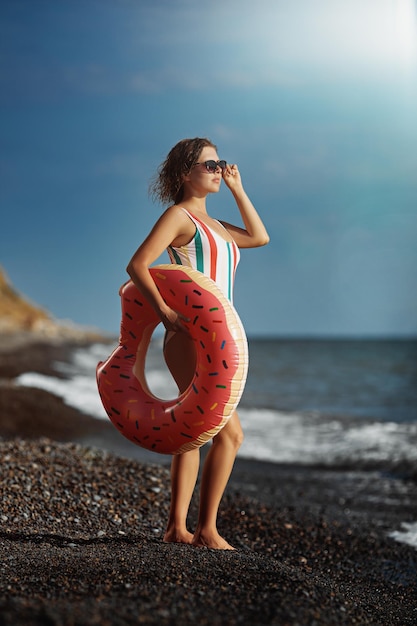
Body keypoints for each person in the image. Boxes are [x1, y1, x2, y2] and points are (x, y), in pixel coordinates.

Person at [127, 137, 269, 550]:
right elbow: (138, 265)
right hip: (189, 335)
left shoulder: (220, 227)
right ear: (184, 173)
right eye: (209, 165)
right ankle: (206, 530)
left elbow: (259, 237)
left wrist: (239, 188)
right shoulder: (179, 217)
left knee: (195, 431)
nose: (218, 170)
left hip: (220, 339)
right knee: (229, 435)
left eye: (220, 163)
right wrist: (169, 316)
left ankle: (177, 528)